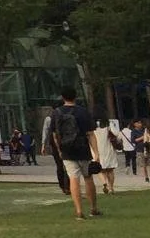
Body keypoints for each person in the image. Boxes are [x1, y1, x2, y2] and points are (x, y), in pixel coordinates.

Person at [50, 89, 100, 219]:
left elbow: (55, 135)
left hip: (67, 150)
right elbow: (90, 134)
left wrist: (60, 150)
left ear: (62, 97)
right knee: (88, 177)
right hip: (83, 148)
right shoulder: (83, 111)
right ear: (75, 96)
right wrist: (96, 153)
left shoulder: (56, 113)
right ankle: (93, 208)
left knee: (73, 178)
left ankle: (78, 210)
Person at [93, 121, 119, 194]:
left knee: (100, 170)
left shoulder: (92, 124)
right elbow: (116, 133)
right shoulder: (108, 124)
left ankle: (105, 184)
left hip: (97, 149)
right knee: (110, 170)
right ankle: (111, 188)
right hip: (108, 148)